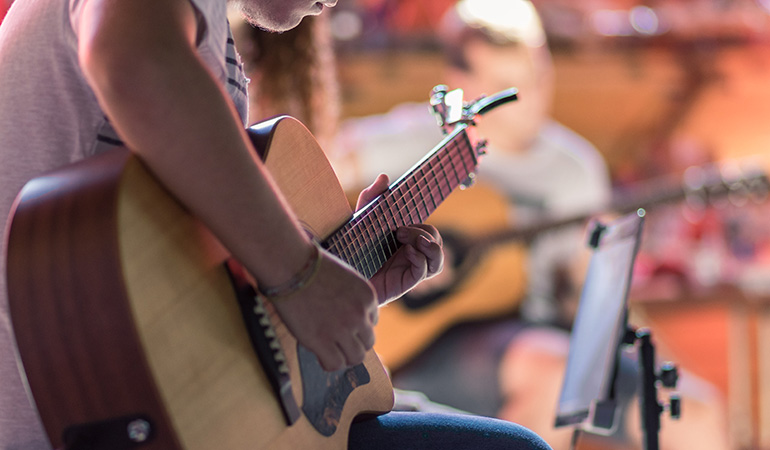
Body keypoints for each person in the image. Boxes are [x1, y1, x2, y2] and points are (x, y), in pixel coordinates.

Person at [0, 1, 552, 450]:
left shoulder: (211, 38)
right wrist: (301, 275)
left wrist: (340, 280)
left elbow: (184, 283)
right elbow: (131, 59)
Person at [331, 1, 729, 449]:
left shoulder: (575, 166)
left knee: (695, 409)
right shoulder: (411, 143)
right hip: (426, 345)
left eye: (540, 76)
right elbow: (311, 186)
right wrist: (375, 254)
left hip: (542, 334)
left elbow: (588, 302)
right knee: (553, 372)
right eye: (508, 86)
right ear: (463, 82)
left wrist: (605, 285)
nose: (532, 99)